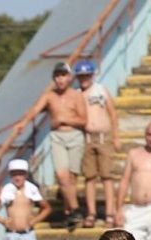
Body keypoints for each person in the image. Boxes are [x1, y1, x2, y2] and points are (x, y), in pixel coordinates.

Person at [24, 61, 87, 227]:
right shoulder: (49, 96)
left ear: (69, 77)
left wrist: (64, 119)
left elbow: (83, 119)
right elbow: (35, 110)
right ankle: (75, 209)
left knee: (72, 178)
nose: (60, 79)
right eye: (57, 76)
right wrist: (22, 123)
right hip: (57, 136)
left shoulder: (76, 95)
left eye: (63, 75)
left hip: (74, 135)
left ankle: (69, 213)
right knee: (61, 175)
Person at [75, 59, 120, 227]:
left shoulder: (101, 90)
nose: (84, 79)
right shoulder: (77, 93)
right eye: (81, 76)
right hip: (86, 137)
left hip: (103, 136)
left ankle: (110, 212)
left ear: (92, 75)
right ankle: (91, 212)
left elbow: (112, 113)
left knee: (107, 176)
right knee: (89, 177)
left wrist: (116, 136)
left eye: (86, 75)